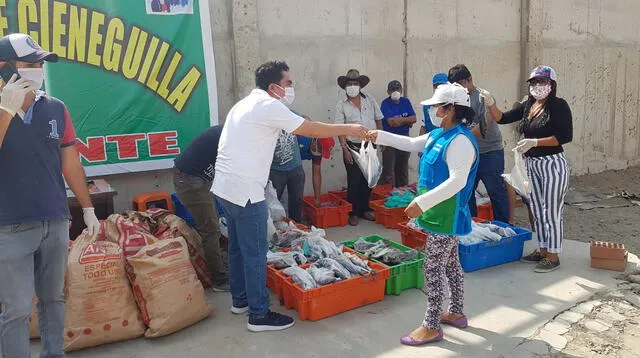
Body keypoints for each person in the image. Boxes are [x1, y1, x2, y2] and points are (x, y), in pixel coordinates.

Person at [213, 60, 368, 332]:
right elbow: (311, 130)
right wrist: (349, 129)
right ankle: (259, 316)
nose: (291, 88)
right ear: (274, 87)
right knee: (255, 253)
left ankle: (240, 301)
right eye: (288, 83)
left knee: (237, 248)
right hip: (246, 191)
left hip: (226, 189)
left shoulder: (245, 103)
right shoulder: (268, 106)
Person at [0, 33, 101, 358]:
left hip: (54, 220)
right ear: (4, 68)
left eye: (40, 65)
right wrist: (5, 110)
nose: (37, 70)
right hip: (9, 226)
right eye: (30, 64)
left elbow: (70, 162)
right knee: (15, 309)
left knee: (53, 298)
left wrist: (87, 209)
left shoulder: (55, 108)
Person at [366, 83, 478, 346]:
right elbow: (409, 142)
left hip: (445, 215)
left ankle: (431, 326)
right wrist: (377, 136)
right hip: (437, 213)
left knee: (432, 268)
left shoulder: (460, 140)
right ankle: (457, 312)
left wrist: (422, 202)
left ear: (450, 109)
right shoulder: (440, 134)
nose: (432, 110)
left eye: (437, 106)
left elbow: (457, 181)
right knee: (450, 264)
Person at [483, 65, 572, 273]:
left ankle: (553, 254)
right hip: (532, 164)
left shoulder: (558, 106)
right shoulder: (528, 106)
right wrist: (491, 103)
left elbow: (565, 136)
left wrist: (535, 142)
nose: (537, 86)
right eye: (534, 82)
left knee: (551, 210)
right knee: (538, 209)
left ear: (552, 85)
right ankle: (542, 250)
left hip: (552, 163)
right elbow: (502, 118)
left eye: (542, 82)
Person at [448, 64, 510, 223]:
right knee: (466, 191)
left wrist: (460, 136)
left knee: (495, 191)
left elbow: (484, 124)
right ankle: (471, 225)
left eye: (460, 85)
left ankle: (504, 227)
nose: (458, 90)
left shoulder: (484, 96)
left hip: (491, 152)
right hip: (469, 154)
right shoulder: (456, 100)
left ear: (469, 80)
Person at [173, 125, 228, 291]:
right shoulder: (229, 135)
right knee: (210, 229)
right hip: (191, 181)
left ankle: (218, 264)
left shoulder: (230, 130)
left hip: (197, 178)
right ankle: (219, 279)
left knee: (212, 225)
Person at [335, 69, 383, 226]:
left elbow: (378, 119)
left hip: (370, 144)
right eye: (349, 84)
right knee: (354, 180)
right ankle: (353, 212)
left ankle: (365, 209)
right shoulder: (341, 105)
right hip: (352, 146)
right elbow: (340, 128)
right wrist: (345, 149)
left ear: (360, 85)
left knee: (369, 178)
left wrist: (380, 139)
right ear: (345, 86)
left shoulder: (369, 99)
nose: (353, 86)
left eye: (355, 83)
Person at [379, 80, 416, 187]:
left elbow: (414, 118)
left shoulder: (406, 102)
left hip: (404, 138)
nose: (395, 91)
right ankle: (387, 194)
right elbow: (391, 122)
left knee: (403, 168)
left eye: (397, 89)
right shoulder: (385, 103)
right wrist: (406, 120)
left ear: (401, 90)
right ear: (388, 92)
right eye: (393, 89)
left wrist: (399, 120)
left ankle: (402, 194)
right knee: (389, 170)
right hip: (389, 139)